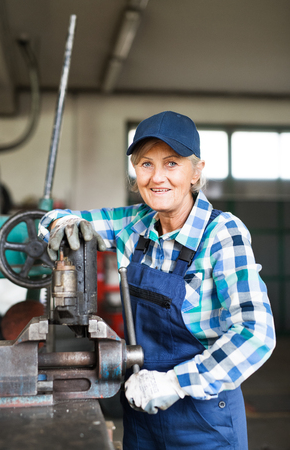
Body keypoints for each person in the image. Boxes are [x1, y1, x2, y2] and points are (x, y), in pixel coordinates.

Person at [38, 111, 276, 450]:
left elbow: (257, 334)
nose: (157, 177)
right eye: (146, 164)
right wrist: (60, 226)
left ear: (196, 171)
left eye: (172, 163)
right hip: (141, 417)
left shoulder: (223, 233)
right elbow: (55, 219)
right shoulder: (135, 224)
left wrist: (176, 384)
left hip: (205, 422)